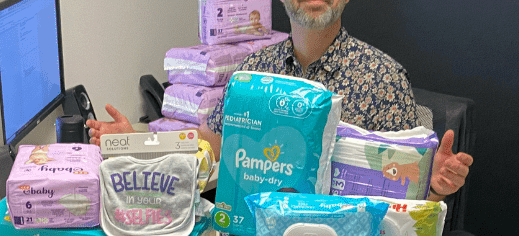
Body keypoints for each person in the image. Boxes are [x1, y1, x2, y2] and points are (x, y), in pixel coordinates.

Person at [86, 0, 472, 203]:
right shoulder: (252, 73)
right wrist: (135, 144)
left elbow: (411, 194)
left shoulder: (383, 79)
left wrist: (433, 184)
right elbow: (208, 146)